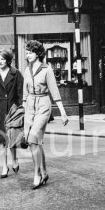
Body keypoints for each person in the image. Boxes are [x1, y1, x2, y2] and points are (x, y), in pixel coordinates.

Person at [23, 40, 69, 190]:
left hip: (43, 104)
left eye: (30, 52)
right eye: (27, 52)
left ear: (38, 53)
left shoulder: (47, 69)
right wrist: (24, 110)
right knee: (33, 142)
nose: (27, 55)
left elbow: (54, 92)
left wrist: (63, 113)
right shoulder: (26, 70)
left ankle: (36, 175)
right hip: (30, 105)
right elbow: (24, 94)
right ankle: (44, 172)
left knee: (34, 136)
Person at [0, 48, 24, 178]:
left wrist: (20, 109)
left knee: (12, 137)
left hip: (12, 110)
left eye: (2, 59)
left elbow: (20, 93)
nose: (0, 61)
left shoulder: (16, 74)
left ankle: (14, 159)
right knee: (1, 139)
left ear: (8, 60)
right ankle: (4, 166)